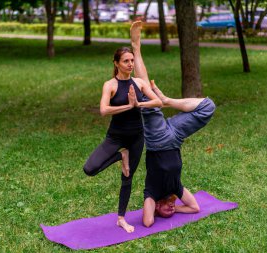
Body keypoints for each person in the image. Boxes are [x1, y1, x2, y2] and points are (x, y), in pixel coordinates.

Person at [128, 21, 216, 227]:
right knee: (208, 107)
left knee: (144, 92)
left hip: (158, 140)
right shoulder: (176, 189)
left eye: (165, 211)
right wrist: (176, 208)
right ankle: (167, 101)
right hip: (176, 137)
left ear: (156, 206)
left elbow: (148, 222)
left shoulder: (152, 192)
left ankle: (136, 48)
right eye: (171, 212)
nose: (169, 210)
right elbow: (195, 208)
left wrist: (157, 209)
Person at [83, 47, 162, 233]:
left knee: (127, 178)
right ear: (116, 63)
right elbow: (104, 110)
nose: (130, 64)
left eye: (132, 61)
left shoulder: (140, 83)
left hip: (136, 137)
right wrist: (129, 105)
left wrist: (139, 104)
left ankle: (121, 218)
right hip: (115, 137)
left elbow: (158, 101)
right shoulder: (110, 85)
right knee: (90, 169)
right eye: (126, 61)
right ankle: (121, 156)